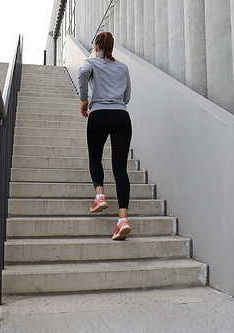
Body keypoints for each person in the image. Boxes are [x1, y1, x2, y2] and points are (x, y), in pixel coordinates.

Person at [78, 31, 132, 241]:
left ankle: (100, 195)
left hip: (99, 114)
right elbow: (127, 97)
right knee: (120, 169)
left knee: (95, 157)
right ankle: (123, 221)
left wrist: (84, 99)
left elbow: (82, 74)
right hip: (121, 116)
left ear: (97, 46)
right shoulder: (123, 67)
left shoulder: (91, 62)